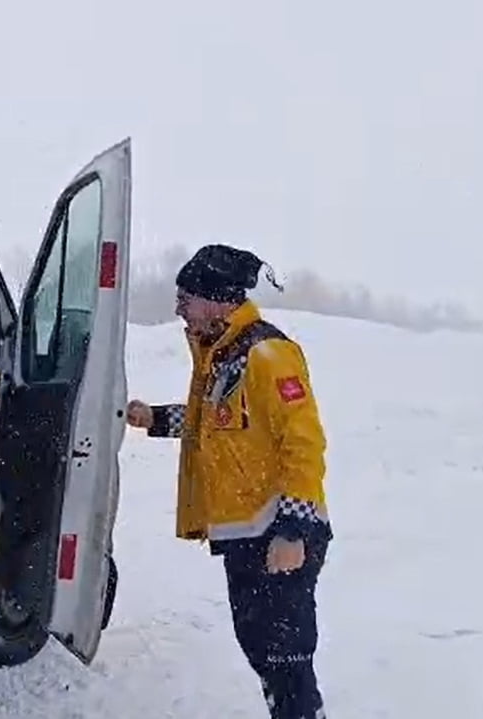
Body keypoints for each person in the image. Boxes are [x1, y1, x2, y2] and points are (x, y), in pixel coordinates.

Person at [125, 244, 331, 719]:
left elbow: (304, 442)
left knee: (287, 661)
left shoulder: (267, 354)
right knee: (262, 652)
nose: (179, 309)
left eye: (185, 299)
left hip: (280, 536)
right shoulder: (221, 357)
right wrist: (154, 418)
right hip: (244, 538)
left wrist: (293, 532)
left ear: (217, 300)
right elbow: (215, 423)